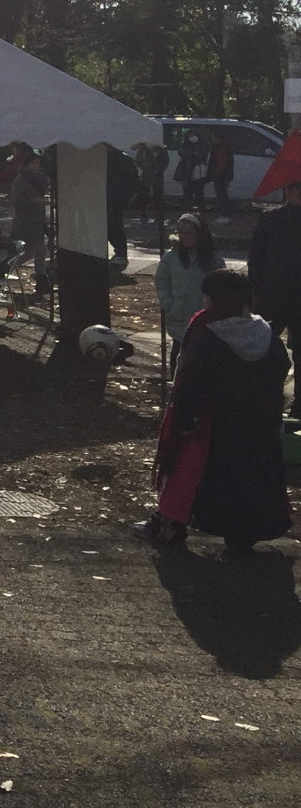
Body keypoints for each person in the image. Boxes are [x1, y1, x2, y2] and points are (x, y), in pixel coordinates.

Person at [136, 268, 293, 553]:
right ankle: (243, 534)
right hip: (257, 423)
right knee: (251, 478)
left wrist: (184, 417)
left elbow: (192, 378)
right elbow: (280, 369)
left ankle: (170, 524)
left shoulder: (207, 331)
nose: (204, 302)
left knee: (186, 472)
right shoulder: (266, 334)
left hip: (210, 422)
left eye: (208, 297)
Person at [248, 178, 301, 416]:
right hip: (272, 295)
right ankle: (263, 399)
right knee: (263, 348)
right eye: (297, 190)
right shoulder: (271, 218)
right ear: (288, 191)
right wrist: (256, 290)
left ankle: (299, 407)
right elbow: (256, 257)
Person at [154, 213, 217, 373]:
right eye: (181, 233)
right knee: (179, 349)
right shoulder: (171, 257)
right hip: (179, 312)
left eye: (189, 233)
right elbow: (161, 281)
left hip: (204, 312)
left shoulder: (212, 258)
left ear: (199, 234)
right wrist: (168, 303)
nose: (184, 237)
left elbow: (221, 282)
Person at [9, 151, 51, 293]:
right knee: (30, 251)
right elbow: (17, 201)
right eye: (35, 162)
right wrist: (35, 201)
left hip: (37, 220)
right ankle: (8, 266)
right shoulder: (20, 180)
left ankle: (41, 279)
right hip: (25, 222)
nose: (38, 165)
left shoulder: (39, 178)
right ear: (28, 164)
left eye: (38, 162)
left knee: (38, 251)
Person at [106, 146, 140, 268]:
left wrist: (127, 196)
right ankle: (119, 253)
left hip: (116, 197)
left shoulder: (120, 160)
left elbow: (133, 180)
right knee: (111, 225)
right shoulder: (118, 159)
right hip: (112, 196)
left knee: (114, 225)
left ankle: (121, 253)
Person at [174, 133, 207, 211]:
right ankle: (187, 210)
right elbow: (181, 152)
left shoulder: (202, 145)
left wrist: (198, 154)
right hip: (187, 173)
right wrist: (192, 153)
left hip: (198, 173)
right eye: (191, 136)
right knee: (187, 193)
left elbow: (204, 154)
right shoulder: (185, 145)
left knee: (199, 193)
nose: (193, 138)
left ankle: (201, 210)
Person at [208, 131, 236, 214]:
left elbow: (220, 164)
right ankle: (225, 212)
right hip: (224, 175)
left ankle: (225, 214)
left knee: (221, 195)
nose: (212, 139)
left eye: (213, 137)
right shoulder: (225, 148)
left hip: (221, 176)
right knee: (222, 194)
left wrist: (215, 173)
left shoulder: (221, 149)